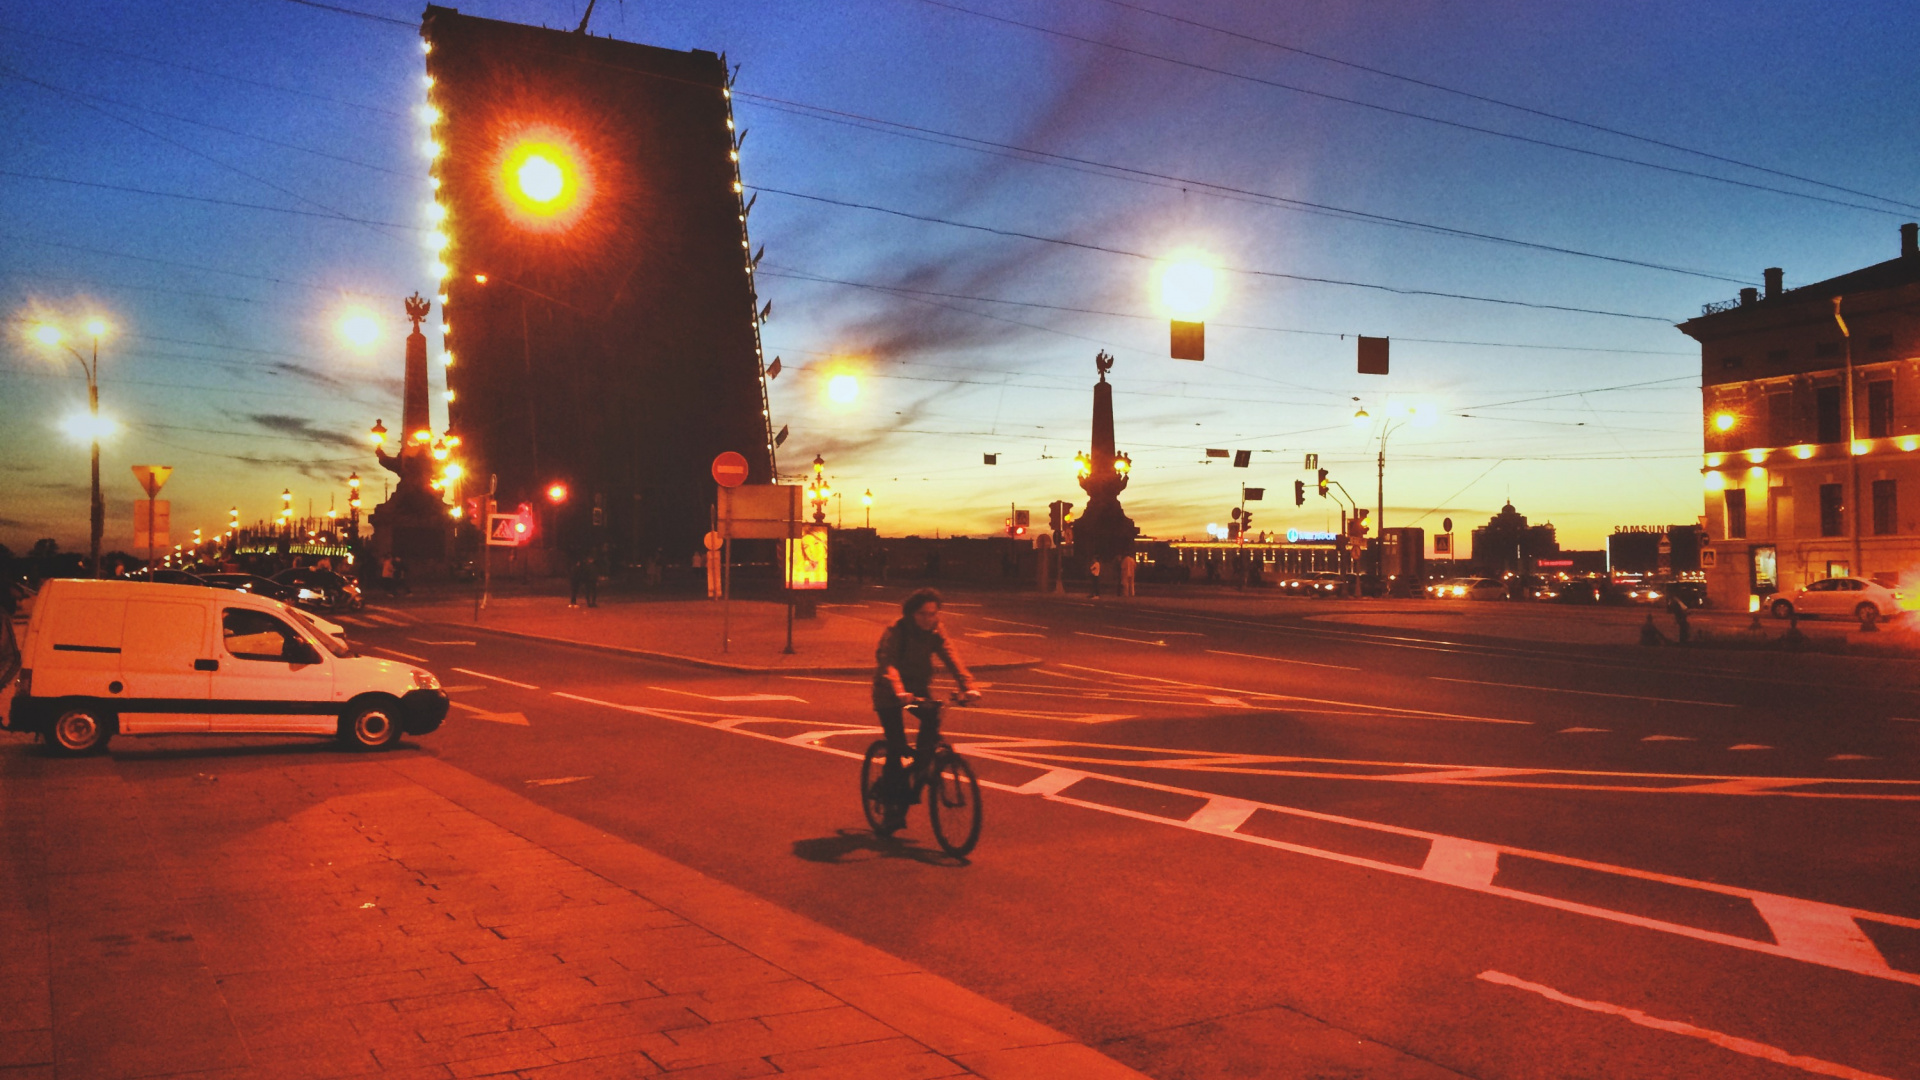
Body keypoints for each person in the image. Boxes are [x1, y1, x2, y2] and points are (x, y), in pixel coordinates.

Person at [871, 589, 980, 834]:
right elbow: (888, 663)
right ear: (911, 613)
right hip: (889, 694)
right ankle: (890, 807)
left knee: (932, 717)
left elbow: (952, 656)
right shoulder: (896, 631)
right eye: (923, 614)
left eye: (933, 614)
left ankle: (921, 764)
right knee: (897, 747)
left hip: (917, 691)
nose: (928, 619)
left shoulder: (935, 630)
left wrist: (968, 686)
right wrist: (899, 691)